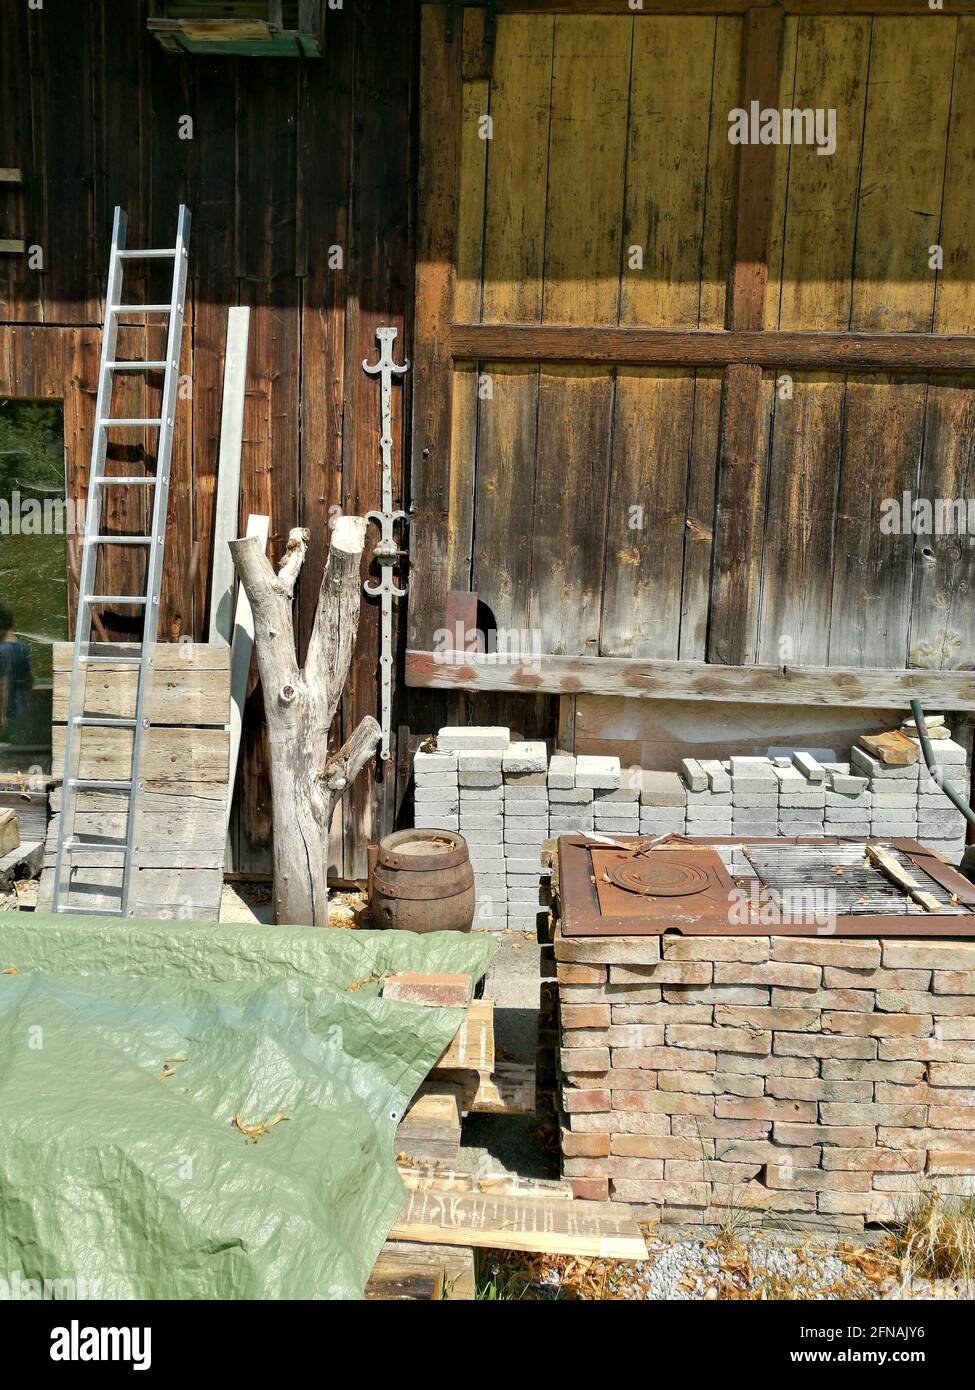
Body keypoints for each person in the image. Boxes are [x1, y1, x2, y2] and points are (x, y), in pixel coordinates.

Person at [0, 600, 33, 734]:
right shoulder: (22, 646)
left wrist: (1, 715)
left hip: (6, 710)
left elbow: (2, 684)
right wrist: (27, 699)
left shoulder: (1, 650)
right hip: (20, 706)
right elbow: (30, 678)